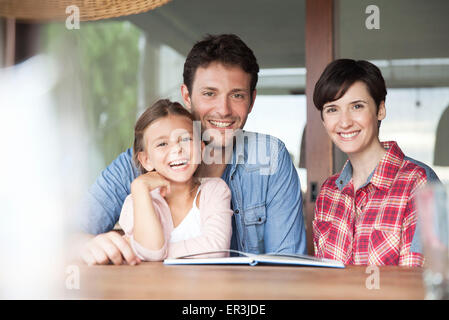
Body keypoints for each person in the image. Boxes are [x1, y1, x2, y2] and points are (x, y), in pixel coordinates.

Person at [77, 34, 306, 265]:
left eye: (237, 95)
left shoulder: (270, 158)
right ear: (187, 95)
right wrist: (86, 245)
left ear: (252, 100)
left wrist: (147, 253)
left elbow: (287, 264)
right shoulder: (136, 163)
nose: (223, 110)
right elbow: (66, 235)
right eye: (209, 93)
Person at [312, 59, 440, 267]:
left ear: (380, 110)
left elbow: (420, 285)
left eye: (357, 106)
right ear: (324, 119)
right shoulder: (328, 192)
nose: (344, 122)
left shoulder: (418, 182)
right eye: (332, 109)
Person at [115, 99, 232, 263]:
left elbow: (217, 249)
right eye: (162, 143)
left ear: (201, 149)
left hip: (207, 288)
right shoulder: (137, 200)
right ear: (147, 160)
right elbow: (152, 252)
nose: (177, 149)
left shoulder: (214, 191)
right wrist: (139, 187)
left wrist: (154, 253)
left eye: (186, 139)